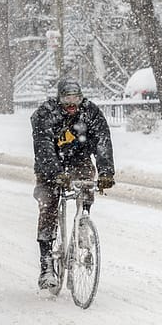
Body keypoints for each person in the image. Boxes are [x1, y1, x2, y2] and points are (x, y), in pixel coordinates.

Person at [30, 80, 115, 290]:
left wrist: (106, 172)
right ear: (59, 98)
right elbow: (43, 146)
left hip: (78, 160)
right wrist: (56, 173)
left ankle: (83, 221)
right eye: (67, 98)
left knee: (86, 182)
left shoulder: (90, 113)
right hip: (50, 164)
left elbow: (103, 140)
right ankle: (47, 265)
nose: (71, 103)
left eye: (76, 98)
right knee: (48, 204)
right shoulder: (46, 114)